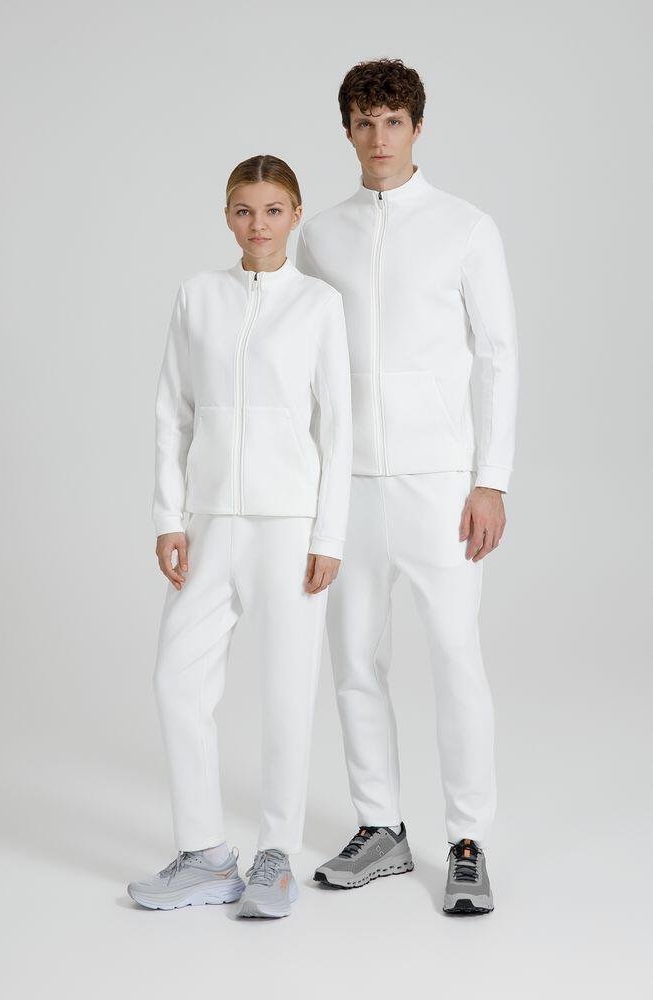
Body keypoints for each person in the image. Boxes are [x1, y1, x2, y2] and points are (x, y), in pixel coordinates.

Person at [296, 59, 518, 914]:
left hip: (438, 484)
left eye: (391, 121)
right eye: (363, 122)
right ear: (346, 131)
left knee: (455, 655)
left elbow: (496, 356)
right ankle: (380, 826)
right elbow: (309, 365)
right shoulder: (322, 235)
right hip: (348, 483)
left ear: (416, 129)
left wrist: (490, 480)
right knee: (354, 657)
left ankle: (466, 839)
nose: (377, 137)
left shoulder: (465, 227)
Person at [127, 155, 352, 919]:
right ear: (227, 216)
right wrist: (170, 517)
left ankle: (275, 857)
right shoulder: (198, 296)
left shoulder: (318, 304)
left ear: (295, 215)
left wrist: (329, 533)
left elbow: (338, 428)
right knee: (177, 679)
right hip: (210, 523)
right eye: (244, 210)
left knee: (287, 690)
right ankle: (205, 855)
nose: (258, 224)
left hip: (290, 527)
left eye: (273, 210)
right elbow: (173, 413)